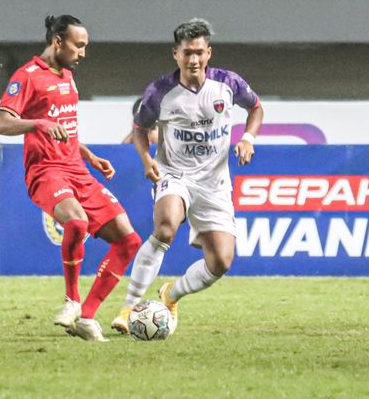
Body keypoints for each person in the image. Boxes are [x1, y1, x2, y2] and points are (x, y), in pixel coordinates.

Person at [0, 15, 142, 342]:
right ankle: (72, 300)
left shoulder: (68, 76)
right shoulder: (27, 76)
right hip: (45, 171)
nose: (83, 53)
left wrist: (87, 154)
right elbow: (0, 124)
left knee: (129, 240)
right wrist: (37, 124)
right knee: (76, 223)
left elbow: (65, 126)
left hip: (77, 168)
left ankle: (86, 317)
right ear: (58, 42)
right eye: (79, 45)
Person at [111, 18, 263, 334]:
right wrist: (145, 160)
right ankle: (129, 307)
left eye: (199, 52)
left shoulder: (228, 84)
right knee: (165, 228)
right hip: (174, 174)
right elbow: (139, 130)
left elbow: (256, 108)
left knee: (221, 261)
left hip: (215, 184)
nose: (193, 60)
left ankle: (171, 294)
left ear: (209, 53)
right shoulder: (160, 92)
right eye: (187, 53)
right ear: (175, 54)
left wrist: (248, 138)